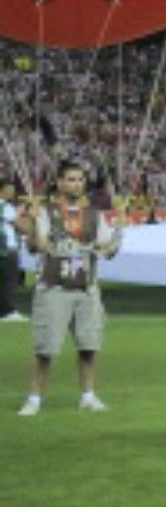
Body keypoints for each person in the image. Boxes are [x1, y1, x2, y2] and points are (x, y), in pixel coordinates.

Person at [19, 163, 120, 416]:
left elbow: (107, 250)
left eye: (80, 179)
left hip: (87, 287)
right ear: (60, 183)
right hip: (54, 286)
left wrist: (118, 233)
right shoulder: (46, 212)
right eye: (71, 179)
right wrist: (31, 224)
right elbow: (38, 247)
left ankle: (88, 396)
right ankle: (34, 399)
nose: (77, 184)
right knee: (44, 348)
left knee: (89, 346)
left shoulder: (94, 215)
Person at [0, 180, 23, 323]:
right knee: (10, 280)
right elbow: (20, 226)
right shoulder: (6, 206)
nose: (13, 192)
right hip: (7, 248)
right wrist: (20, 213)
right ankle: (9, 311)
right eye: (9, 189)